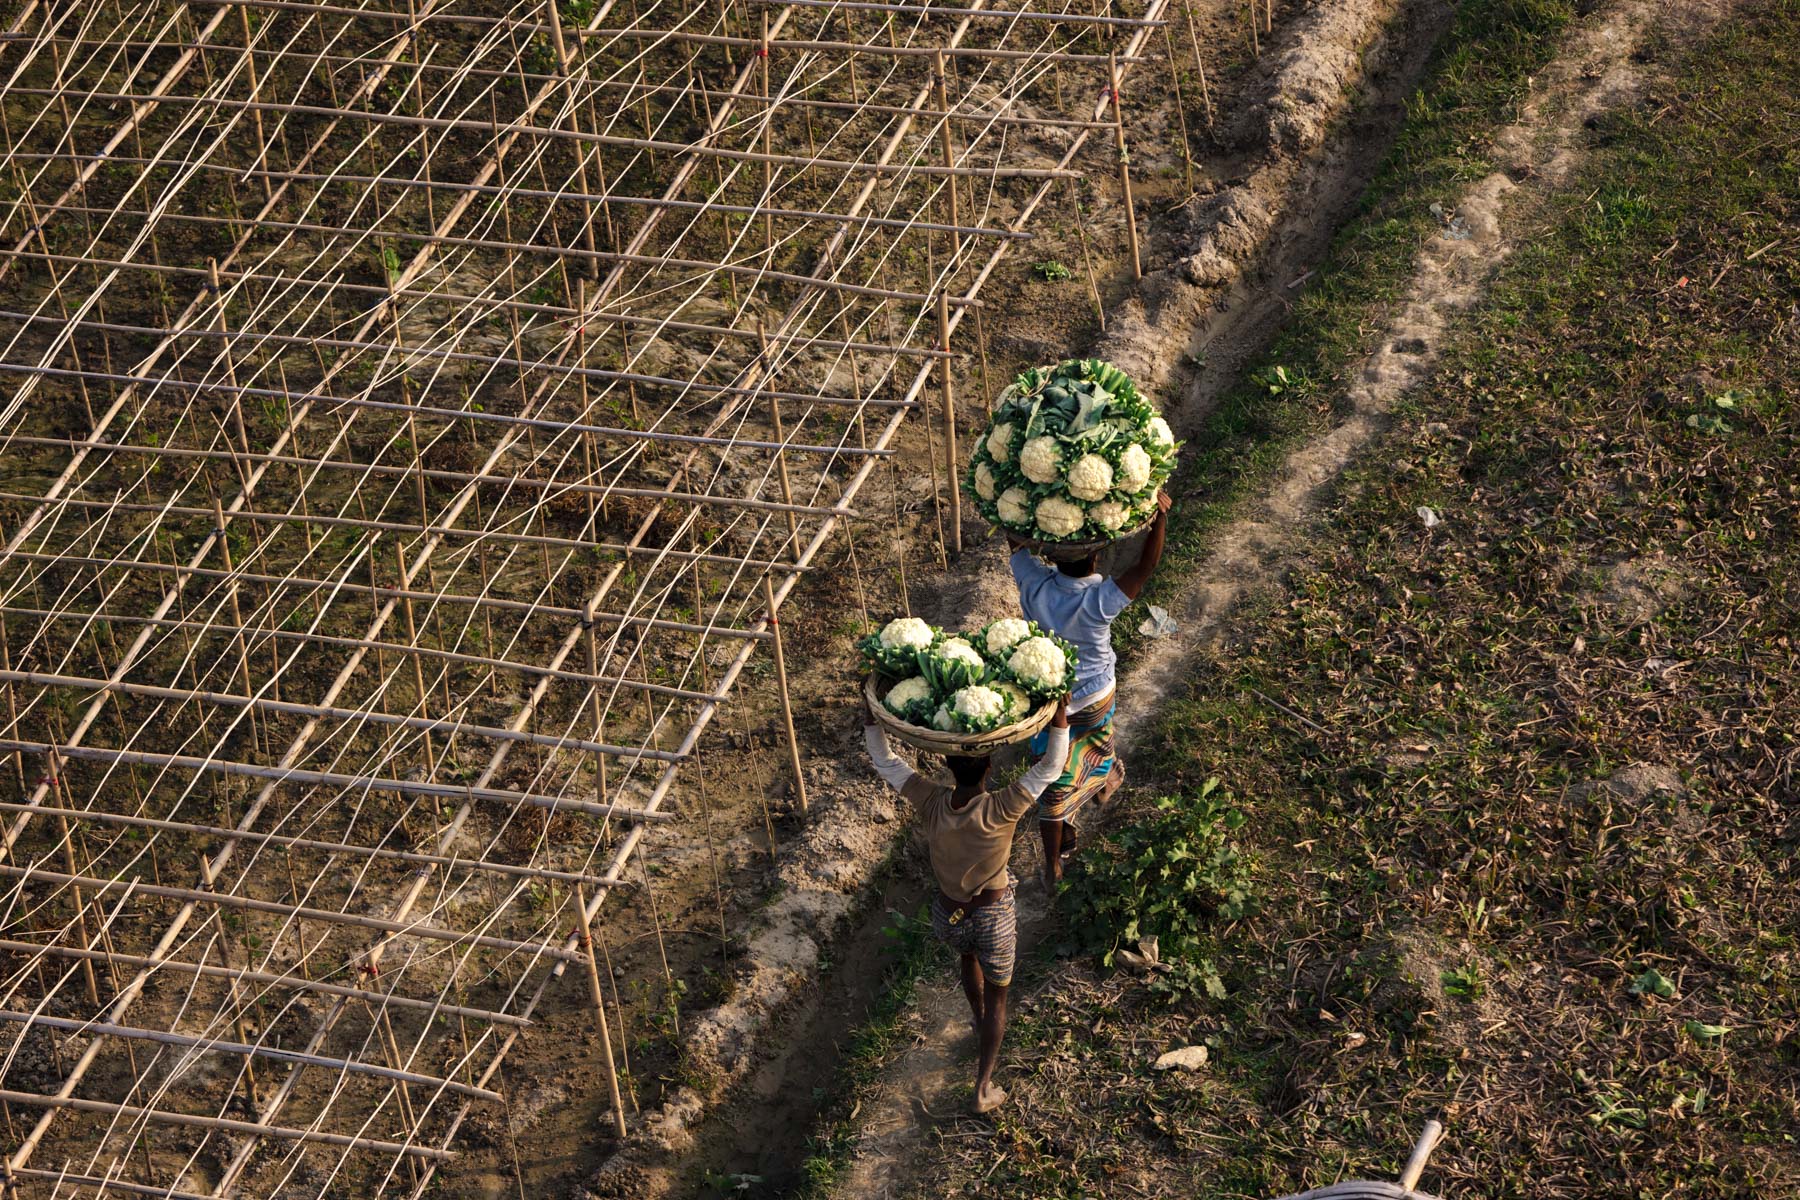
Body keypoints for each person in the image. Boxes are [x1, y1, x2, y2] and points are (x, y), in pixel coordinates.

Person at [863, 698, 1070, 1113]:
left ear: (948, 765)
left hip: (948, 916)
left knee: (967, 955)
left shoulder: (931, 801)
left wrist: (871, 716)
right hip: (993, 918)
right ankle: (983, 1087)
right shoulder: (1002, 807)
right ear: (989, 767)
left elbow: (886, 762)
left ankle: (976, 1017)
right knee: (1000, 999)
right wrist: (1060, 717)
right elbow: (1051, 767)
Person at [1008, 489, 1171, 887]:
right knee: (1097, 745)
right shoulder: (1100, 599)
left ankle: (1052, 861)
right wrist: (1160, 519)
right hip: (1096, 697)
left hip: (1050, 704)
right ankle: (1096, 786)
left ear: (1052, 557)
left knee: (1053, 775)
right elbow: (1146, 566)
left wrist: (1015, 503)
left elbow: (1015, 545)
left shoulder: (1034, 583)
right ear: (1095, 558)